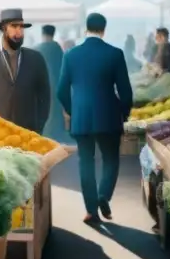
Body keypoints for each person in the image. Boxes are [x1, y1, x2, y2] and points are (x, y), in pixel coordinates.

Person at [57, 13, 133, 225]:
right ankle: (103, 196)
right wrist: (124, 114)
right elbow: (126, 92)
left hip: (81, 118)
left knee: (86, 162)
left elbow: (61, 90)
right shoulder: (115, 54)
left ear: (86, 29)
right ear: (104, 30)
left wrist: (73, 111)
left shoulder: (70, 55)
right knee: (110, 159)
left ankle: (91, 210)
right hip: (109, 116)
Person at [35, 24, 66, 140]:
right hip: (56, 89)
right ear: (53, 34)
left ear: (42, 34)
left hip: (39, 89)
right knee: (55, 117)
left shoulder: (36, 49)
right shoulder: (58, 50)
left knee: (42, 115)